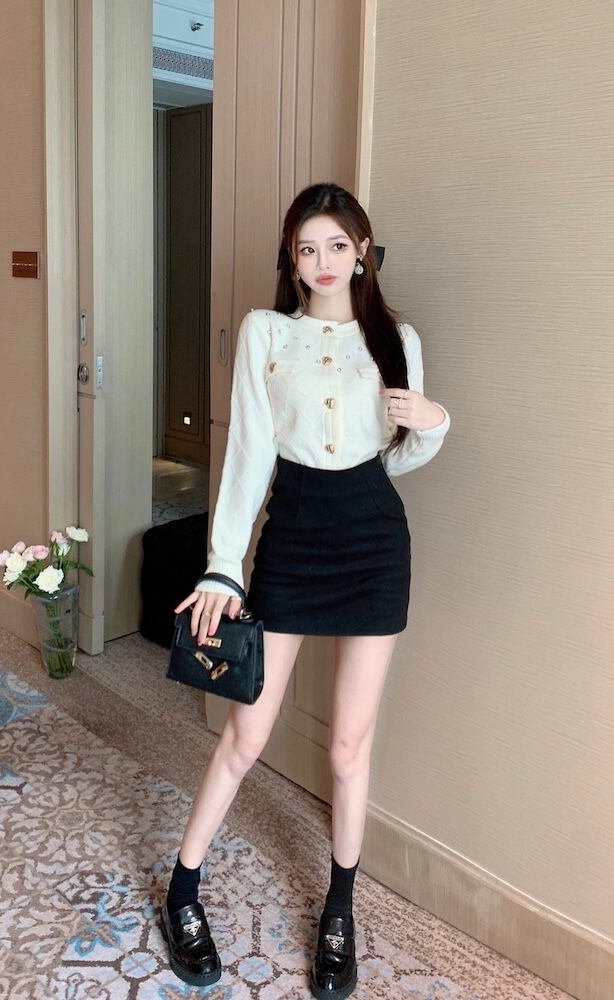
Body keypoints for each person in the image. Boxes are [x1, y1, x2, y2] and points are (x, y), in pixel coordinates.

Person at [159, 181, 451, 997]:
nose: (322, 261)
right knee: (245, 736)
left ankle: (340, 910)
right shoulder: (267, 333)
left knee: (349, 749)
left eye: (336, 245)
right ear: (291, 259)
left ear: (361, 251)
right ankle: (183, 888)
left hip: (374, 544)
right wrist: (223, 564)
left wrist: (435, 424)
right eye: (306, 248)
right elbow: (249, 453)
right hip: (292, 543)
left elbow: (395, 455)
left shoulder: (396, 339)